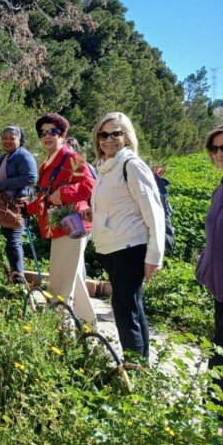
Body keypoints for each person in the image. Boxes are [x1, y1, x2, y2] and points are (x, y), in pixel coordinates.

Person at [84, 112, 165, 360]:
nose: (108, 139)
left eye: (116, 133)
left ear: (126, 136)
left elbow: (154, 211)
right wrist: (93, 212)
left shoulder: (131, 165)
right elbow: (119, 204)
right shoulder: (106, 167)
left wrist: (154, 255)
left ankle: (133, 369)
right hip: (113, 247)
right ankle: (140, 366)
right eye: (103, 134)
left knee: (124, 308)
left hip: (131, 246)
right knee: (131, 305)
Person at [26, 113, 97, 328]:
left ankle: (58, 332)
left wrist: (64, 193)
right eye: (43, 133)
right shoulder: (46, 163)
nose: (47, 136)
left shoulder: (71, 158)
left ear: (63, 135)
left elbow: (91, 185)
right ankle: (88, 328)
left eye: (52, 132)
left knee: (59, 283)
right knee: (72, 278)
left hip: (71, 228)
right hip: (59, 228)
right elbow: (45, 196)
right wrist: (26, 209)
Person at [196, 120, 223, 404]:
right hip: (222, 287)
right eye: (214, 149)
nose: (220, 154)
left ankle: (214, 427)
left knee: (222, 360)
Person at [0, 126, 38, 284]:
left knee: (13, 241)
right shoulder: (6, 156)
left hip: (15, 207)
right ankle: (14, 275)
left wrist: (2, 185)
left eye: (12, 138)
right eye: (5, 138)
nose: (7, 141)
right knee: (10, 241)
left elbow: (31, 177)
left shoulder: (23, 156)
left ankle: (18, 277)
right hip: (4, 206)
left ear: (20, 140)